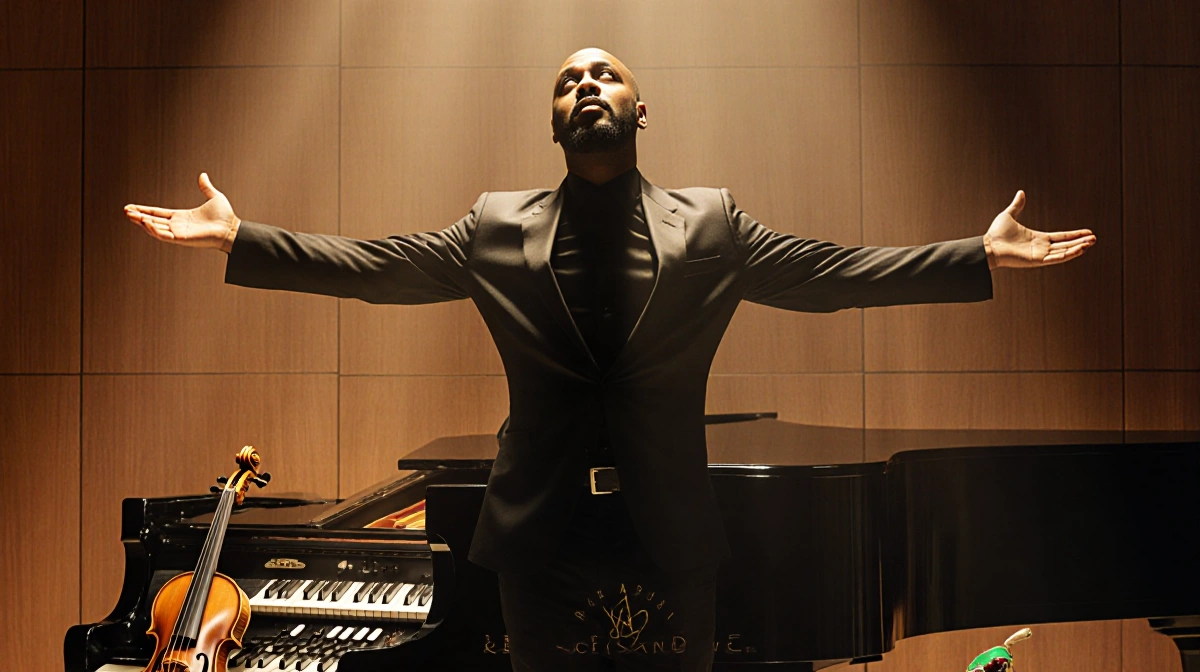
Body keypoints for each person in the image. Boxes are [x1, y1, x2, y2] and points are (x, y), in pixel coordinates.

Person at [124, 47, 1096, 672]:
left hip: (668, 529)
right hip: (538, 540)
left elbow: (830, 274)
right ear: (557, 123)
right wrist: (240, 237)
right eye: (569, 82)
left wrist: (978, 256)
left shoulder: (711, 223)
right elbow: (376, 268)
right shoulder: (497, 228)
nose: (587, 86)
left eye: (606, 77)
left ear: (641, 111)